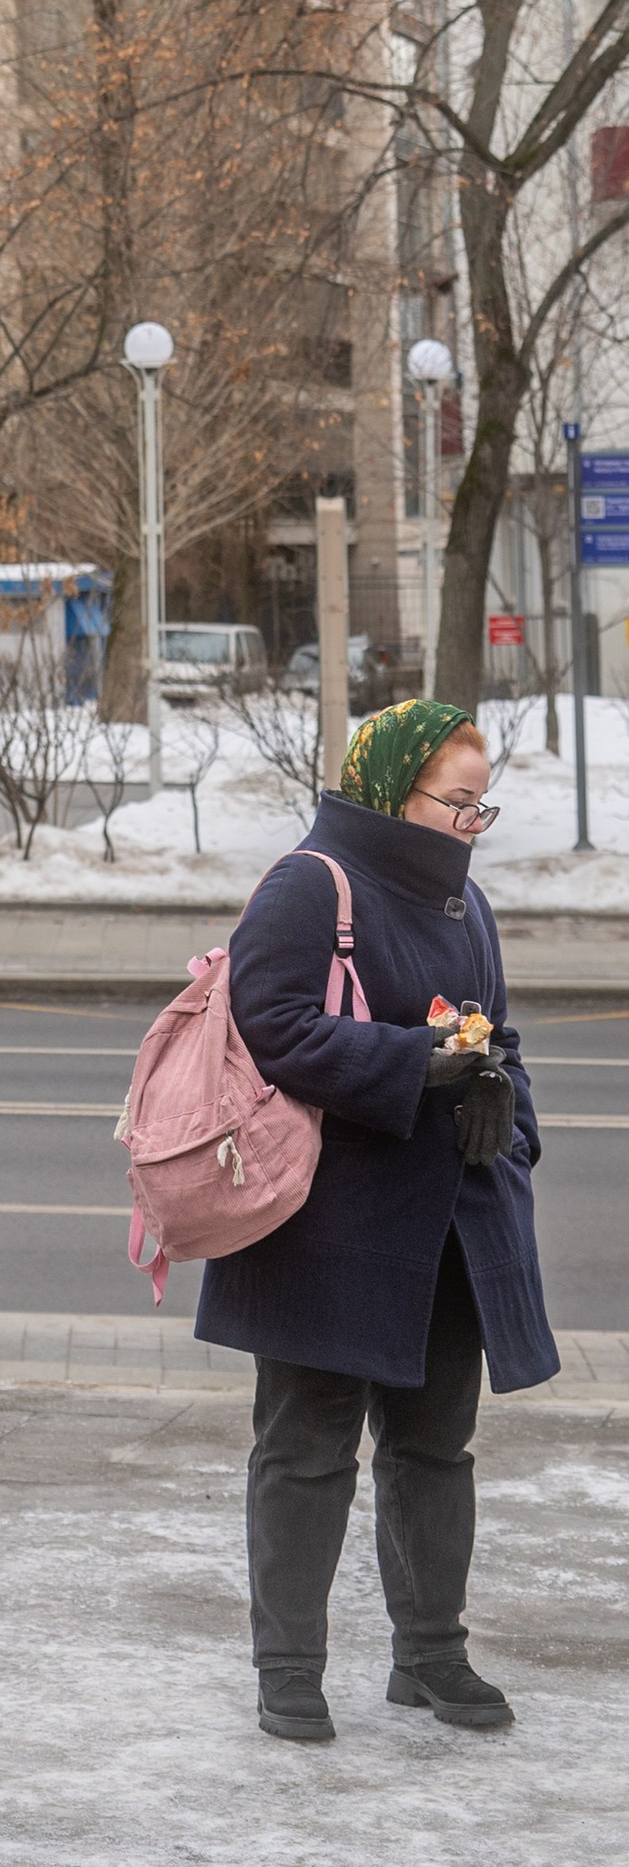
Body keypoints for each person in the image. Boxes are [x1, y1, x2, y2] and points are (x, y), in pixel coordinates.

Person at [212, 698, 557, 1743]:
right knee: (306, 1445)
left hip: (454, 1216)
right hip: (330, 1223)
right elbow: (267, 1028)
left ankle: (430, 1657)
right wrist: (418, 1063)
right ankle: (288, 1670)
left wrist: (515, 1123)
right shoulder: (307, 885)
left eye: (479, 805)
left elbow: (498, 1033)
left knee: (433, 1448)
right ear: (391, 792)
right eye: (456, 801)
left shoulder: (467, 900)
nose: (469, 821)